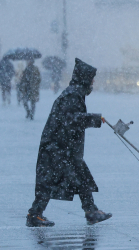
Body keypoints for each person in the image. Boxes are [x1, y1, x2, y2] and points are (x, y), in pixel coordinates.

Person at [27, 58, 112, 227]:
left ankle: (91, 212)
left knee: (79, 178)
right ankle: (35, 215)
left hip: (63, 146)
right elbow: (70, 119)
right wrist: (93, 118)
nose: (93, 82)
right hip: (58, 147)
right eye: (92, 78)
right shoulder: (73, 94)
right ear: (85, 78)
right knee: (53, 181)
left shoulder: (75, 93)